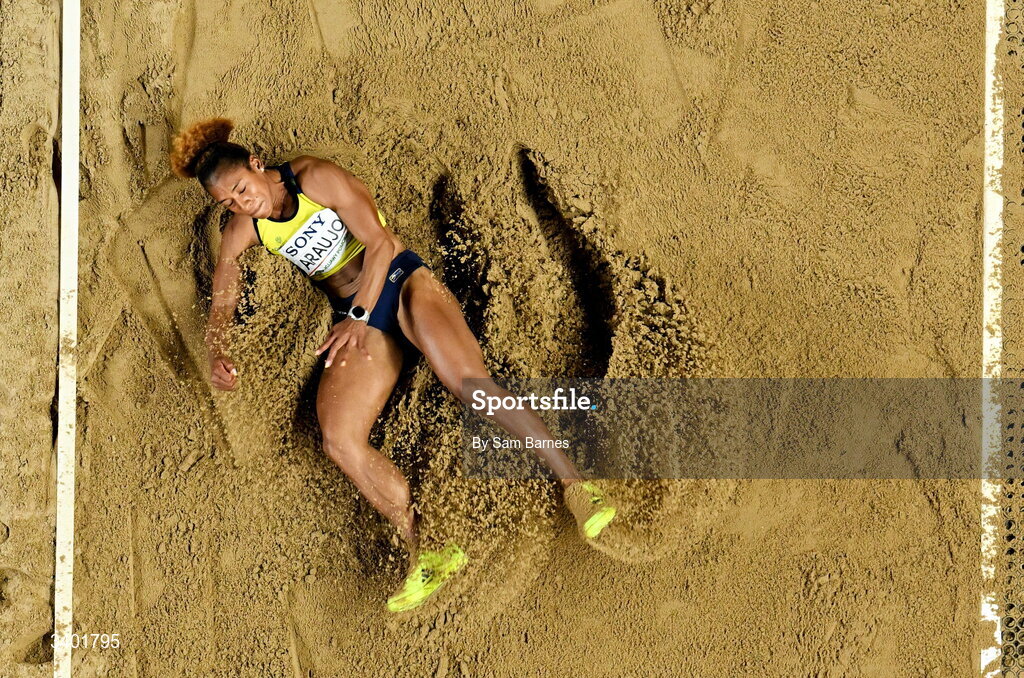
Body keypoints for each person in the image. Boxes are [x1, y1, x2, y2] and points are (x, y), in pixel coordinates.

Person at [169, 117, 617, 612]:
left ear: (257, 164)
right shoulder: (246, 226)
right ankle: (427, 549)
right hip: (355, 319)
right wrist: (217, 349)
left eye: (241, 189)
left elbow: (381, 243)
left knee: (473, 388)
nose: (241, 203)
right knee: (338, 440)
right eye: (227, 202)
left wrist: (361, 314)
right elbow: (224, 285)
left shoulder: (316, 178)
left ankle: (580, 488)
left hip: (401, 283)